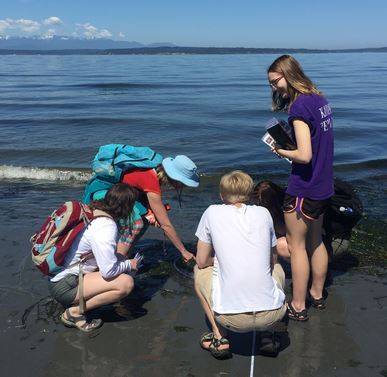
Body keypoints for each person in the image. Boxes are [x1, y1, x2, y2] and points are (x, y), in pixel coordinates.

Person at [267, 55, 334, 321]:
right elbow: (317, 147)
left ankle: (298, 304)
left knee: (296, 247)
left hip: (303, 187)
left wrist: (281, 149)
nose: (274, 88)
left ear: (288, 74)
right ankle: (317, 295)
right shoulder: (319, 100)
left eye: (275, 82)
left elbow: (304, 155)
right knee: (316, 242)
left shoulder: (299, 108)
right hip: (323, 184)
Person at [194, 171, 286, 359]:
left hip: (231, 319)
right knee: (277, 268)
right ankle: (268, 334)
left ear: (222, 194)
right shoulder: (263, 213)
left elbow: (201, 260)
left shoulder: (212, 212)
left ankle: (220, 338)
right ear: (249, 193)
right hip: (273, 314)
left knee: (198, 271)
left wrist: (216, 261)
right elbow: (273, 258)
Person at [49, 183, 140, 332]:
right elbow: (108, 271)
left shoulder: (94, 212)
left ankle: (77, 307)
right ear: (126, 207)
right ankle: (74, 312)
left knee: (118, 262)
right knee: (126, 283)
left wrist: (120, 259)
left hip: (61, 276)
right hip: (65, 285)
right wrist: (130, 264)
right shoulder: (106, 227)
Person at [119, 155, 199, 262]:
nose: (183, 186)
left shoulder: (154, 169)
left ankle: (126, 253)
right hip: (110, 195)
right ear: (175, 178)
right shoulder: (151, 182)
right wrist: (184, 252)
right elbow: (166, 225)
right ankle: (118, 260)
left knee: (147, 219)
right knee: (137, 223)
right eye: (183, 182)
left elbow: (137, 188)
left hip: (124, 193)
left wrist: (151, 212)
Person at [252, 180, 290, 262]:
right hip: (316, 239)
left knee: (279, 245)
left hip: (303, 246)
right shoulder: (289, 201)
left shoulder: (284, 214)